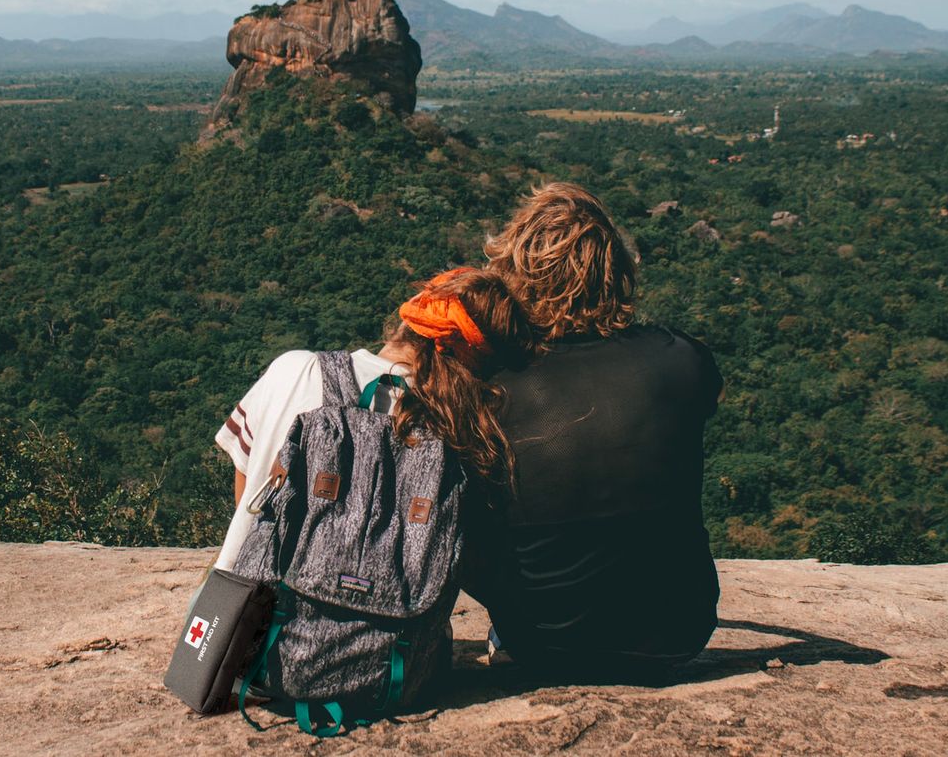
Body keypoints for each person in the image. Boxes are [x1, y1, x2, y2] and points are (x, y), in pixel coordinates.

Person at [464, 182, 724, 683]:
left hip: (542, 641)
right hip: (677, 634)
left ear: (512, 276)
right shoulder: (682, 360)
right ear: (617, 271)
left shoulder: (490, 388)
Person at [213, 267, 534, 572]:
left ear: (407, 320)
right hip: (391, 628)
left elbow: (248, 490)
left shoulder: (298, 370)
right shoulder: (460, 433)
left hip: (250, 611)